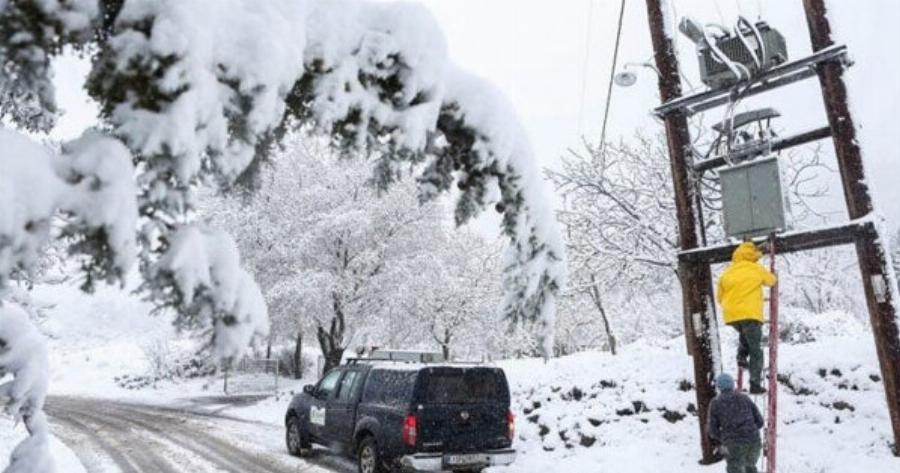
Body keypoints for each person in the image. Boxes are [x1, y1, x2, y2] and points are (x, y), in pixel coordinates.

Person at [716, 241, 777, 394]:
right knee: (756, 350)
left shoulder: (727, 272)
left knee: (745, 334)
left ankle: (742, 356)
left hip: (732, 315)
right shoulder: (755, 268)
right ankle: (755, 384)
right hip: (750, 314)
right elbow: (771, 281)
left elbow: (719, 297)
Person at [708, 373, 764, 473]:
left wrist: (724, 437)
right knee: (750, 468)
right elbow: (760, 421)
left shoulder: (716, 403)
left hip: (733, 444)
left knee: (735, 469)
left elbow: (712, 430)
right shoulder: (745, 398)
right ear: (732, 385)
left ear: (719, 387)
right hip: (754, 442)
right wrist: (749, 431)